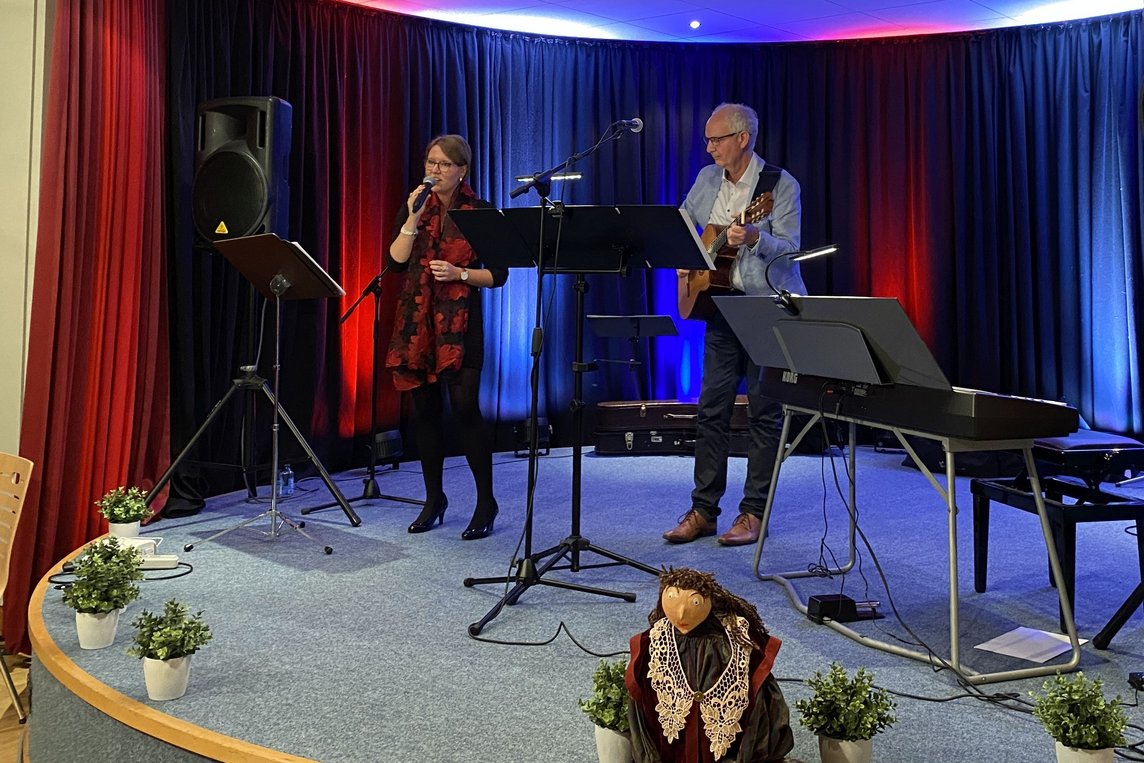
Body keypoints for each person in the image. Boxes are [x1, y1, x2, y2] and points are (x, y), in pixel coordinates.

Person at [664, 103, 804, 547]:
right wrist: (688, 266)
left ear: (743, 138)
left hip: (766, 309)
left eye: (717, 139)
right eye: (707, 140)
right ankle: (703, 509)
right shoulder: (707, 179)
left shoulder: (778, 186)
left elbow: (791, 250)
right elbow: (683, 227)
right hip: (719, 304)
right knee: (712, 408)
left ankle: (752, 513)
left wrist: (758, 237)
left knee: (764, 412)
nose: (709, 148)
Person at [385, 134, 507, 540]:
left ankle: (485, 500)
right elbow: (396, 263)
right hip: (417, 322)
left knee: (465, 406)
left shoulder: (480, 211)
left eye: (443, 165)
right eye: (430, 163)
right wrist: (410, 219)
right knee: (424, 410)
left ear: (462, 171)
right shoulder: (416, 207)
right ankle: (433, 498)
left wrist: (460, 275)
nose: (434, 171)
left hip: (460, 323)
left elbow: (500, 275)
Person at [625, 567, 795, 762]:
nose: (681, 613)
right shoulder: (654, 642)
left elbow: (760, 710)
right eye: (672, 597)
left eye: (695, 601)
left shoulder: (737, 642)